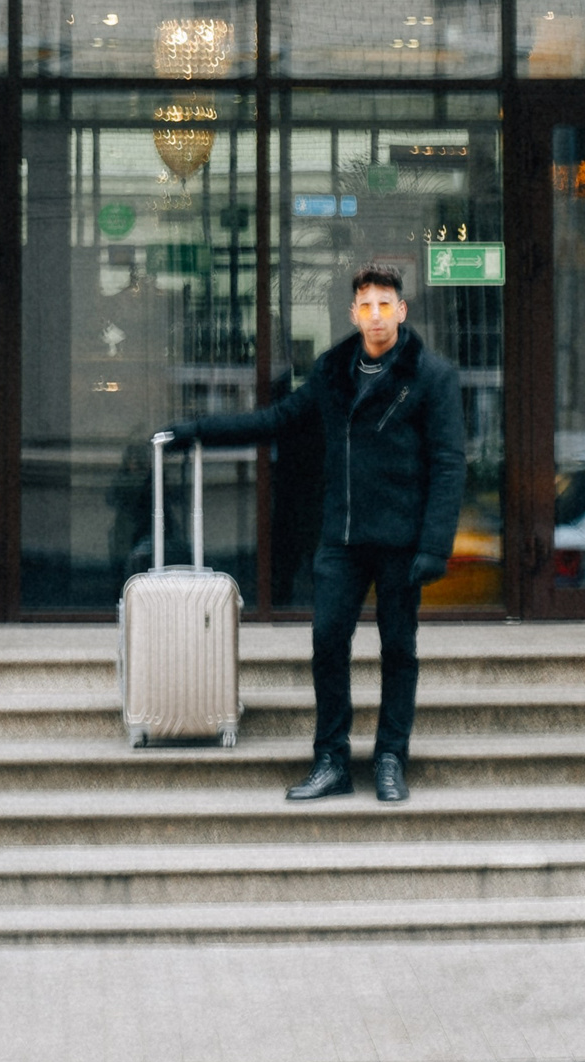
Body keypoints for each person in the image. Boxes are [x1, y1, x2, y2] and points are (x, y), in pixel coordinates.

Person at [168, 267, 462, 804]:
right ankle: (331, 760)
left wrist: (434, 545)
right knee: (327, 644)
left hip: (401, 540)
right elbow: (278, 419)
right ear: (353, 314)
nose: (375, 314)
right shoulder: (332, 372)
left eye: (384, 304)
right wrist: (197, 432)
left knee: (398, 649)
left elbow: (448, 464)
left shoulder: (431, 376)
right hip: (341, 538)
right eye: (365, 306)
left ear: (401, 310)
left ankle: (391, 758)